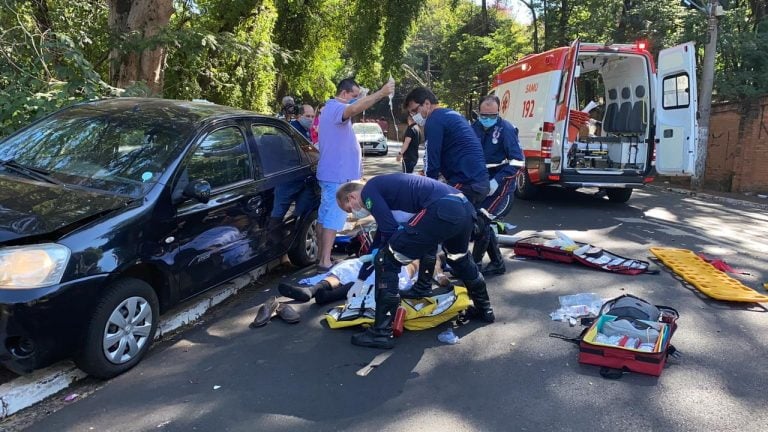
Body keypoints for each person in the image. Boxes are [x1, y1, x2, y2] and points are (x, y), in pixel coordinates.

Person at [336, 173, 495, 349]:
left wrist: (383, 256)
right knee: (458, 259)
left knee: (386, 260)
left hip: (441, 209)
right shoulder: (387, 189)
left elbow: (389, 231)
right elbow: (381, 238)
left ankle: (380, 332)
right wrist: (360, 277)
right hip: (465, 209)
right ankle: (484, 309)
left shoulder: (368, 191)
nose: (353, 214)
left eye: (349, 209)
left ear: (351, 196)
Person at [402, 86, 490, 294]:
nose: (414, 116)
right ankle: (479, 290)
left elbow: (434, 157)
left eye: (415, 110)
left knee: (429, 228)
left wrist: (428, 190)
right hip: (475, 182)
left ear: (426, 104)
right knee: (455, 246)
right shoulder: (451, 115)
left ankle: (423, 285)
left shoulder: (434, 120)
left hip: (465, 182)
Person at [315, 77, 395, 272]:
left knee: (325, 216)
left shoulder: (329, 109)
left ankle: (322, 257)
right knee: (333, 217)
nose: (356, 100)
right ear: (344, 94)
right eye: (354, 96)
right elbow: (352, 109)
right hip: (337, 175)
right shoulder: (336, 109)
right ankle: (324, 261)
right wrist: (381, 93)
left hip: (333, 173)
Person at [470, 95, 525, 275]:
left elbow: (517, 161)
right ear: (478, 112)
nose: (487, 118)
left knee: (481, 222)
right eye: (484, 114)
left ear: (498, 112)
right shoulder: (474, 128)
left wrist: (498, 180)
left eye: (491, 115)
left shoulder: (506, 129)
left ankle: (474, 267)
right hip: (480, 184)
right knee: (478, 222)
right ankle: (497, 263)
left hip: (501, 186)